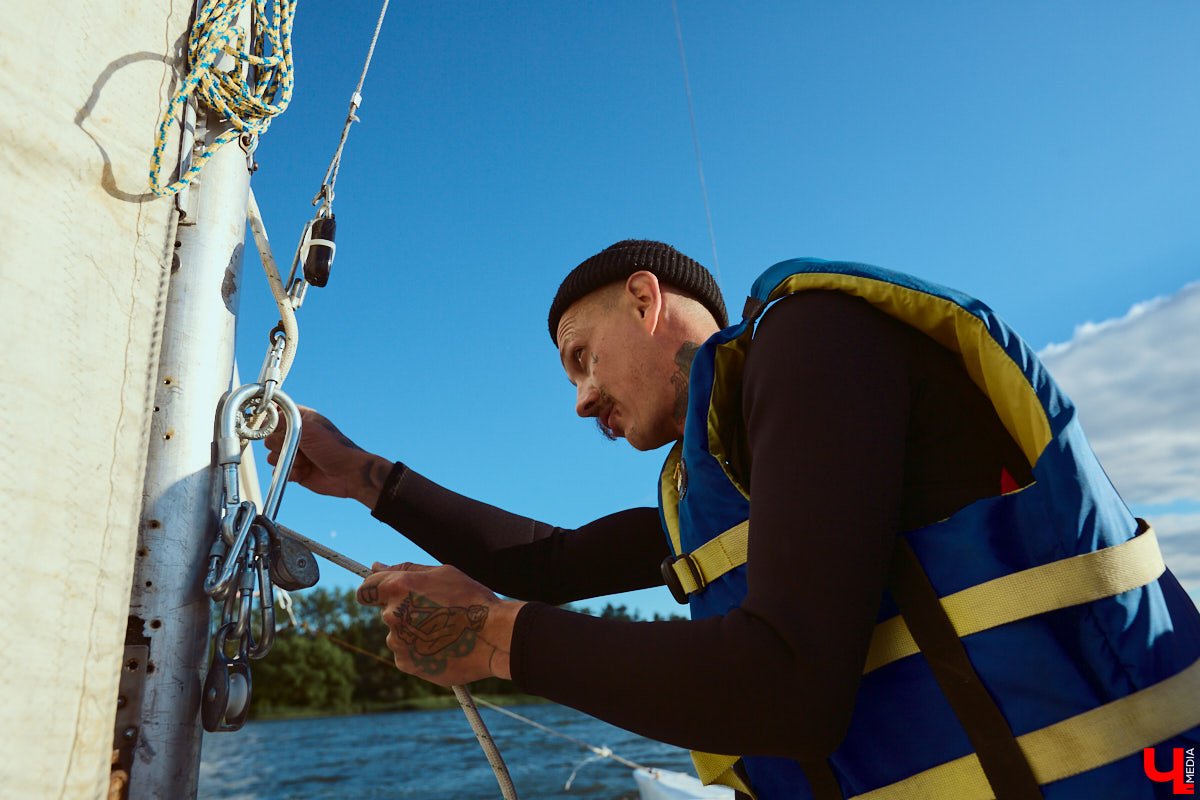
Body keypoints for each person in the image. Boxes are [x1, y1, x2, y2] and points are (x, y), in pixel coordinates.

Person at [267, 240, 1200, 799]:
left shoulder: (817, 342)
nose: (581, 400)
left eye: (582, 358)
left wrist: (494, 639)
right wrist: (361, 475)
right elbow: (547, 565)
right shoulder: (711, 489)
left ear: (646, 298)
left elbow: (790, 687)